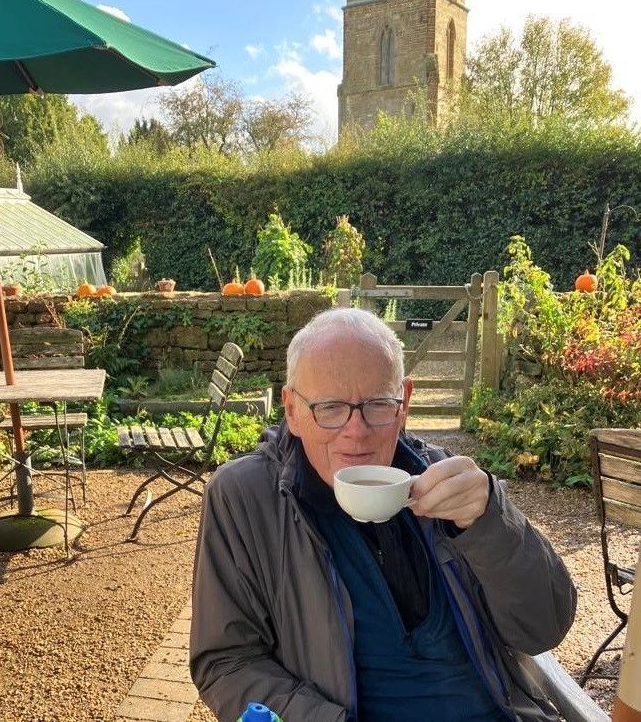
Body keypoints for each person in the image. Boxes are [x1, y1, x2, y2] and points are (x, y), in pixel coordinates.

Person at [190, 307, 576, 722]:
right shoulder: (246, 498)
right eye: (330, 407)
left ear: (404, 402)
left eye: (377, 404)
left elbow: (545, 627)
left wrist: (490, 521)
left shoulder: (447, 481)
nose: (356, 431)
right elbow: (226, 661)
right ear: (292, 410)